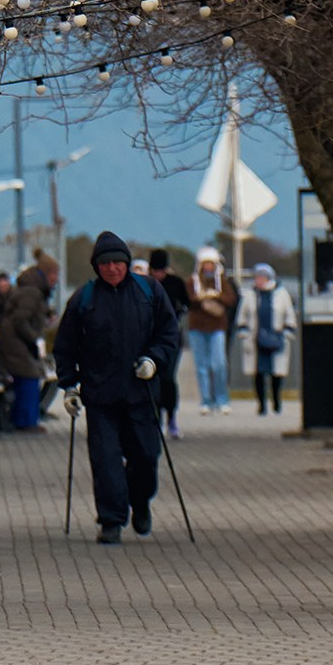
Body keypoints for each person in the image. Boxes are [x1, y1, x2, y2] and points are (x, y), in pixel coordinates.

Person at [54, 230, 180, 542]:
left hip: (142, 394)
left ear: (127, 264)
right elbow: (66, 345)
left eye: (118, 262)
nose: (112, 268)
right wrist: (69, 386)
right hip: (100, 396)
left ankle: (140, 502)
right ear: (96, 266)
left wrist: (154, 360)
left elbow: (169, 334)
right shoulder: (84, 299)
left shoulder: (149, 291)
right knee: (106, 459)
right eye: (105, 263)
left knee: (146, 458)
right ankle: (111, 520)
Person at [0, 258, 56, 429]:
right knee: (30, 375)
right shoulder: (32, 292)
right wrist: (33, 336)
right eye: (54, 274)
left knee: (31, 373)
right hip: (14, 344)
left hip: (13, 343)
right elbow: (21, 319)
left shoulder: (31, 290)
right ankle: (26, 421)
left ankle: (24, 418)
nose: (56, 279)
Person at [235, 260, 299, 413]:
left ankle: (276, 400)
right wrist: (244, 331)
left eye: (262, 277)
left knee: (277, 372)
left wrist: (287, 331)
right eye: (257, 277)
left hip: (276, 338)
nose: (259, 280)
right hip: (255, 339)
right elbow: (242, 316)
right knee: (258, 372)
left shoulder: (281, 294)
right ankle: (261, 404)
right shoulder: (249, 295)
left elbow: (289, 315)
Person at [186, 246, 238, 413]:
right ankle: (206, 400)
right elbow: (188, 301)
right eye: (205, 264)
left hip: (217, 327)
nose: (208, 267)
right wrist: (200, 298)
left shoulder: (223, 281)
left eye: (211, 264)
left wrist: (217, 296)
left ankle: (222, 398)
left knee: (219, 364)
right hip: (197, 327)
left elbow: (231, 300)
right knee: (201, 365)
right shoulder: (192, 281)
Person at [146, 248, 191, 437]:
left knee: (168, 378)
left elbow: (187, 303)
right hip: (149, 338)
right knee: (152, 378)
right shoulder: (145, 284)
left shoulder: (176, 283)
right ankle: (154, 417)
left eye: (162, 270)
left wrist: (177, 314)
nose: (159, 275)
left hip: (171, 338)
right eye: (156, 271)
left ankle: (171, 417)